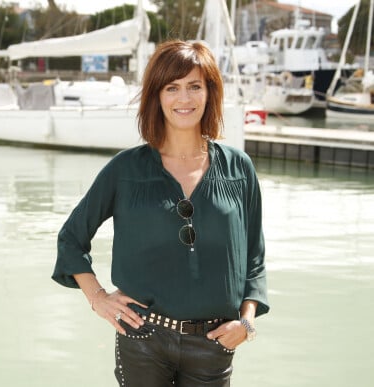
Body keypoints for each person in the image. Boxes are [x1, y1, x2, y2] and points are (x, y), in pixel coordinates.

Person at [52, 40, 269, 387]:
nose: (184, 99)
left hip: (214, 343)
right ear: (157, 96)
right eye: (172, 88)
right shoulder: (125, 170)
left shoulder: (239, 168)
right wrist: (98, 299)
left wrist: (247, 322)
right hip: (142, 339)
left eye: (195, 86)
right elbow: (71, 239)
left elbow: (254, 258)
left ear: (210, 93)